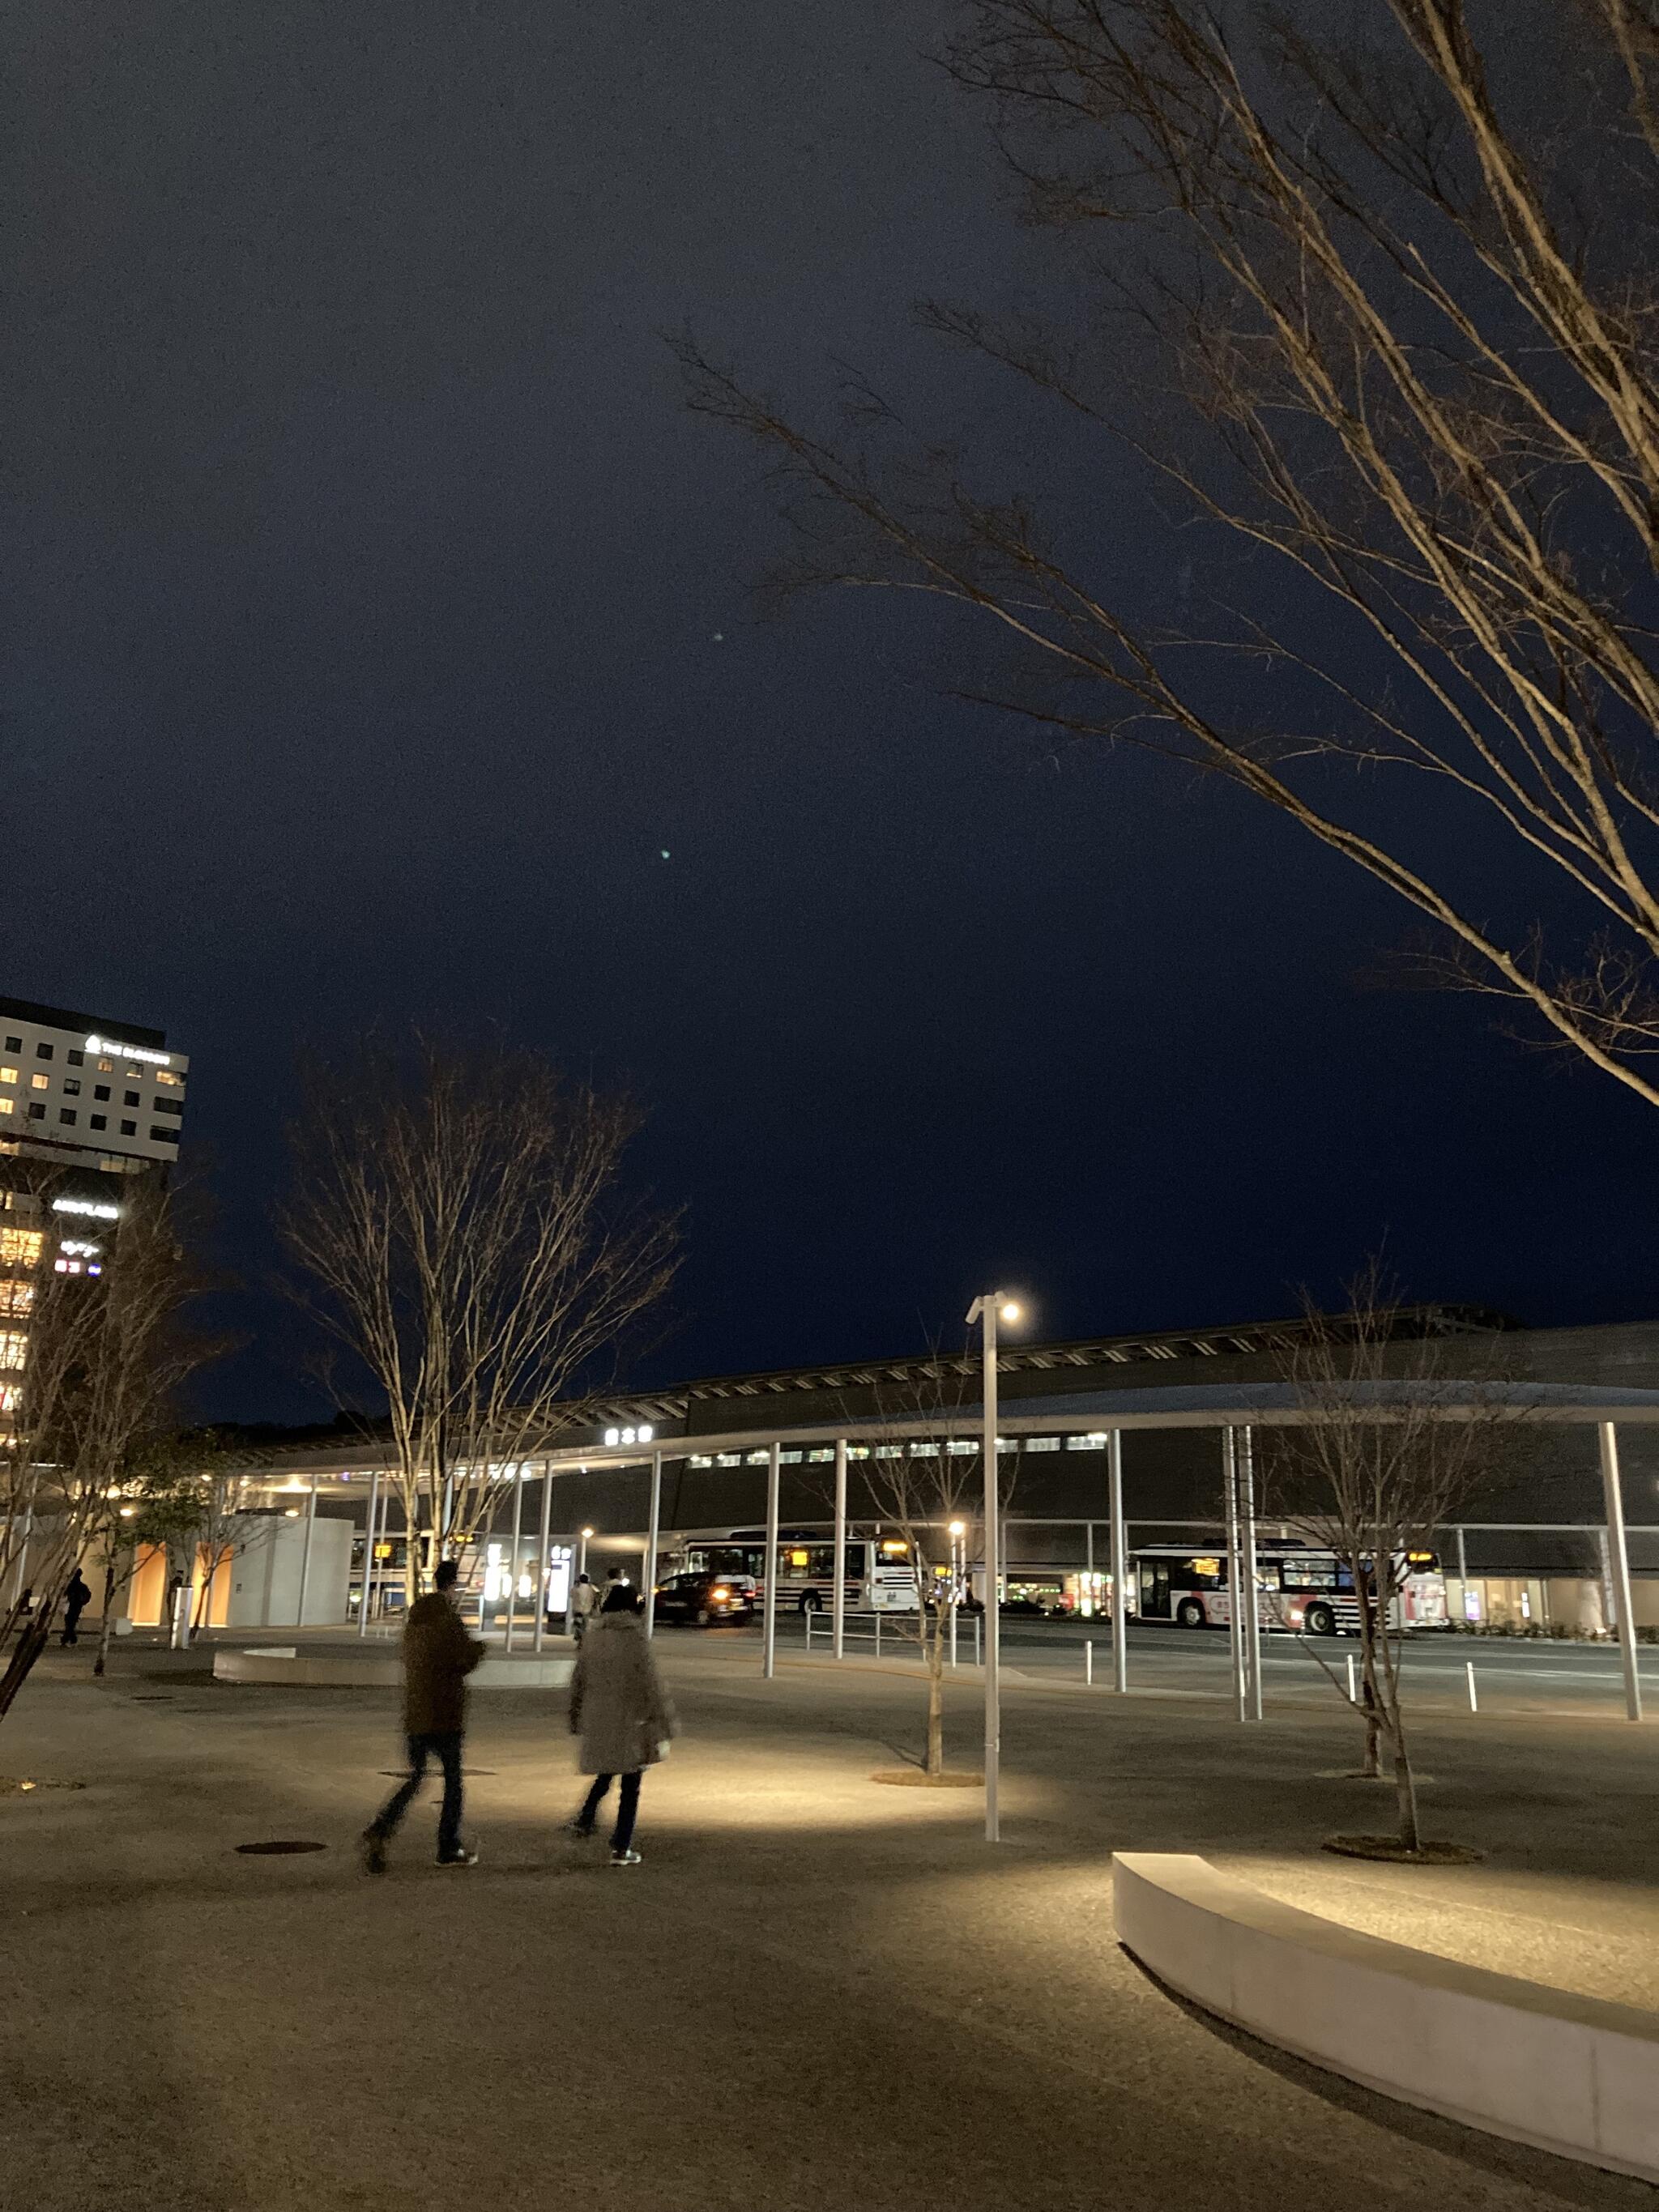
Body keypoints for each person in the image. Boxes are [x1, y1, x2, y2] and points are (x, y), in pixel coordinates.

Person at [361, 1558, 485, 1873]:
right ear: (452, 1584)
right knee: (454, 1783)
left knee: (416, 1776)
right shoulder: (448, 1620)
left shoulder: (415, 1620)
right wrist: (479, 1650)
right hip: (444, 1712)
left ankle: (382, 1827)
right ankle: (448, 1846)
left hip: (417, 1712)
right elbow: (463, 1659)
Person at [568, 1583, 677, 1866]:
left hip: (599, 1719)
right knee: (631, 1784)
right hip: (631, 1721)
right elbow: (653, 1686)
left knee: (606, 1771)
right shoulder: (636, 1640)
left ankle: (586, 1818)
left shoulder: (592, 1638)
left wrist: (575, 1717)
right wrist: (666, 1722)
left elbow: (577, 1681)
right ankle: (621, 1846)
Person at [60, 1568, 92, 1647]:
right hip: (77, 1606)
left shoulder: (71, 1585)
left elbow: (65, 1594)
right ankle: (67, 1639)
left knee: (69, 1623)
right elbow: (88, 1596)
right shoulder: (82, 1586)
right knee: (71, 1623)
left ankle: (69, 1639)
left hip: (71, 1606)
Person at [571, 1573, 599, 1645]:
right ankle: (583, 1640)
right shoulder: (591, 1589)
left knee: (578, 1626)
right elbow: (597, 1595)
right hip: (587, 1611)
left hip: (577, 1610)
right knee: (585, 1626)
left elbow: (571, 1594)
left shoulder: (576, 1589)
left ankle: (579, 1640)